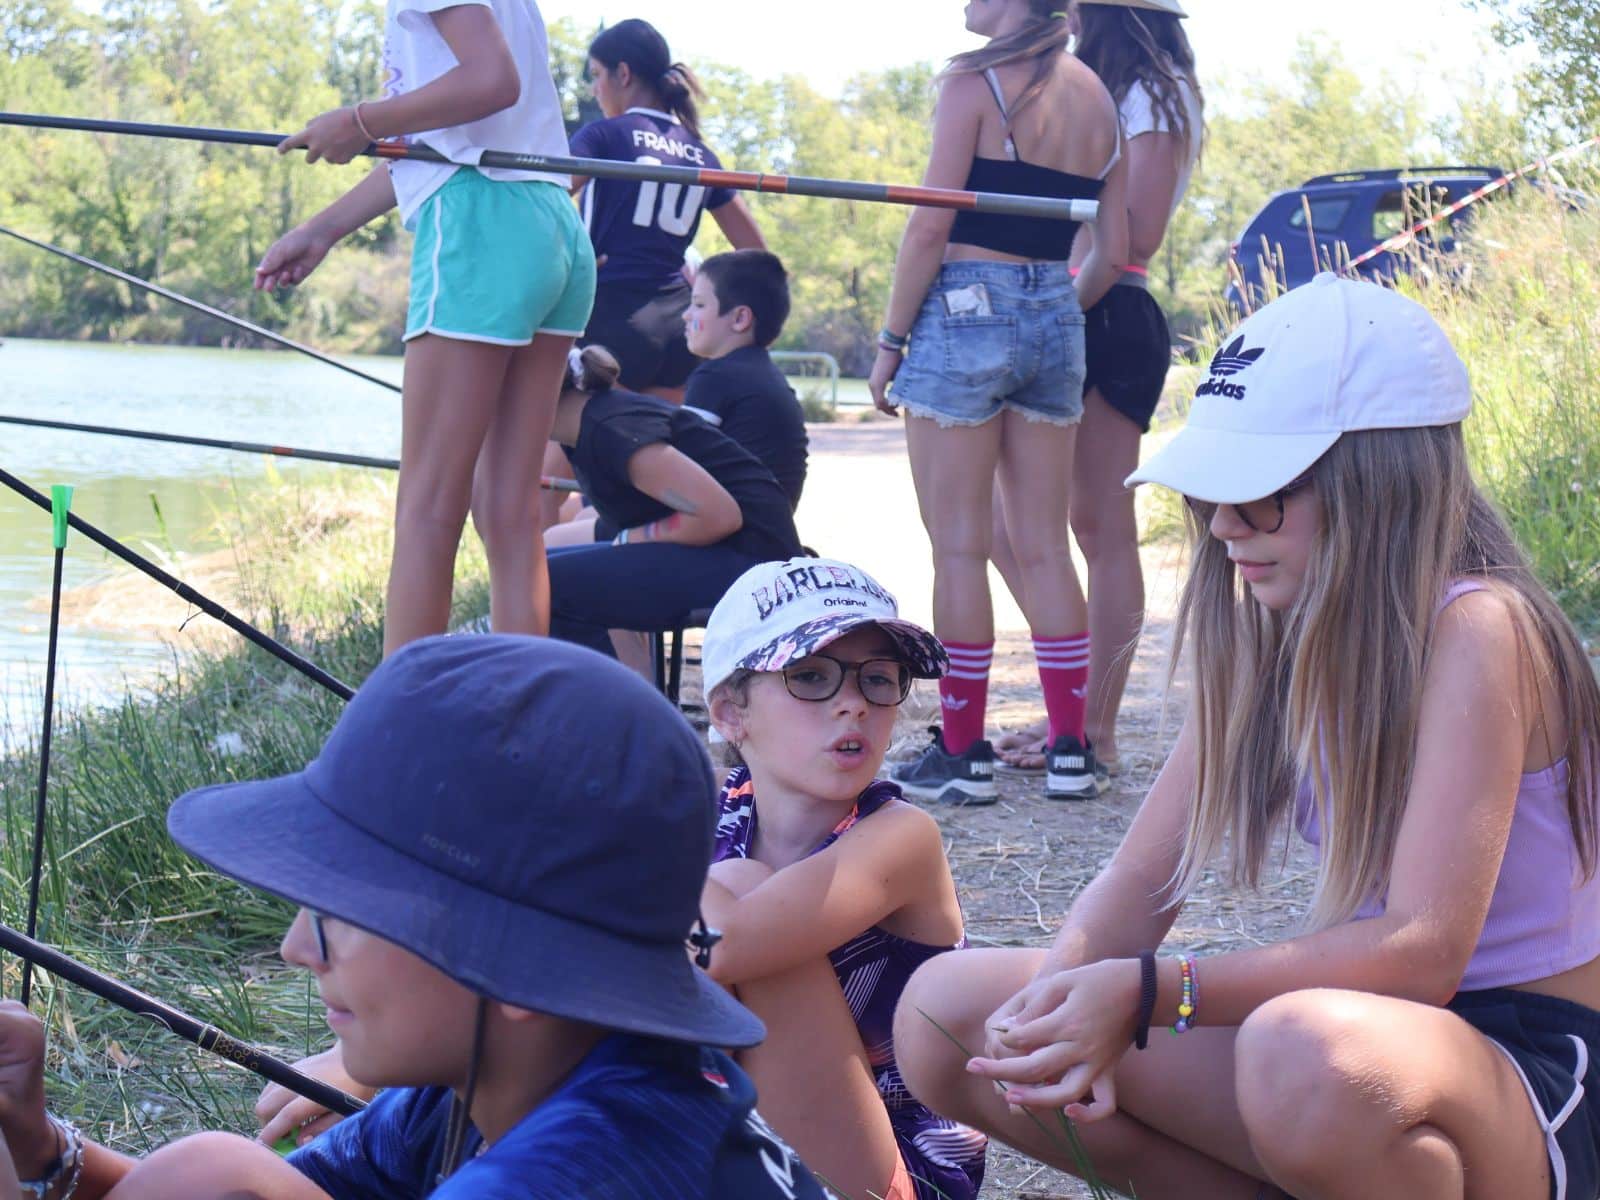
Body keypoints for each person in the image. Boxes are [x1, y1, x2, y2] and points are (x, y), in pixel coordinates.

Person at [891, 275, 1600, 1199]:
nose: (1223, 526)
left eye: (1260, 494)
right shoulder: (1277, 634)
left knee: (1300, 1054)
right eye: (1213, 495)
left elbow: (1423, 951)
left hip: (1529, 1070)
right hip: (1368, 1043)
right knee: (952, 1015)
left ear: (1378, 483)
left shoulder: (1481, 629)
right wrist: (1065, 1003)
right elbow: (1144, 879)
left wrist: (1149, 992)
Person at [0, 636, 829, 1199]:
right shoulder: (522, 1070)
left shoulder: (573, 1168)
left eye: (340, 912)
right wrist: (35, 1142)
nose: (296, 949)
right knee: (209, 1170)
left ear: (520, 967)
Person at [254, 0, 592, 658]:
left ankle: (398, 735)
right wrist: (322, 228)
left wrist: (358, 121)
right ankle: (521, 714)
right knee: (508, 508)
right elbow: (449, 139)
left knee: (429, 508)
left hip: (482, 224)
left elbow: (491, 82)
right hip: (553, 225)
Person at [868, 0, 1130, 806]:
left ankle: (963, 754)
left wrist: (890, 341)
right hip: (1057, 308)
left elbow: (928, 227)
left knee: (957, 543)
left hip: (962, 307)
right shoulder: (1098, 97)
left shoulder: (974, 82)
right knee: (1045, 545)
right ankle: (1070, 750)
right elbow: (1112, 253)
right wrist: (1042, 310)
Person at [700, 557, 989, 1200]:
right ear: (730, 712)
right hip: (741, 1141)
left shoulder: (900, 837)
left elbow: (731, 942)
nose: (853, 703)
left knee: (739, 893)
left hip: (883, 1178)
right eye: (811, 677)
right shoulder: (718, 814)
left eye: (878, 680)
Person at [991, 0, 1204, 786]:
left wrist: (1047, 308)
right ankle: (1073, 716)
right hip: (1055, 302)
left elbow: (1134, 237)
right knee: (1000, 523)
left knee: (1098, 527)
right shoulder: (1085, 82)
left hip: (1105, 308)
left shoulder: (1154, 88)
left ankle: (1094, 732)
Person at [543, 346, 803, 661]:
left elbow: (719, 516)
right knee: (538, 571)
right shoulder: (587, 424)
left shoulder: (612, 430)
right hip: (720, 549)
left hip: (751, 559)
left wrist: (628, 540)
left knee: (547, 585)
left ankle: (599, 703)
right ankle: (630, 695)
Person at [569, 18, 766, 401]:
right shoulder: (701, 152)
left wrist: (572, 263)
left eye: (596, 75)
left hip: (611, 314)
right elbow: (757, 252)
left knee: (566, 444)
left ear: (622, 73)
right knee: (651, 443)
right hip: (679, 327)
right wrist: (713, 296)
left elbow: (549, 201)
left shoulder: (604, 135)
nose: (594, 90)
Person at [682, 250, 810, 510]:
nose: (686, 315)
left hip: (726, 538)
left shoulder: (715, 378)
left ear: (740, 318)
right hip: (761, 531)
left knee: (580, 527)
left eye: (698, 305)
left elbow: (677, 470)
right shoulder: (763, 374)